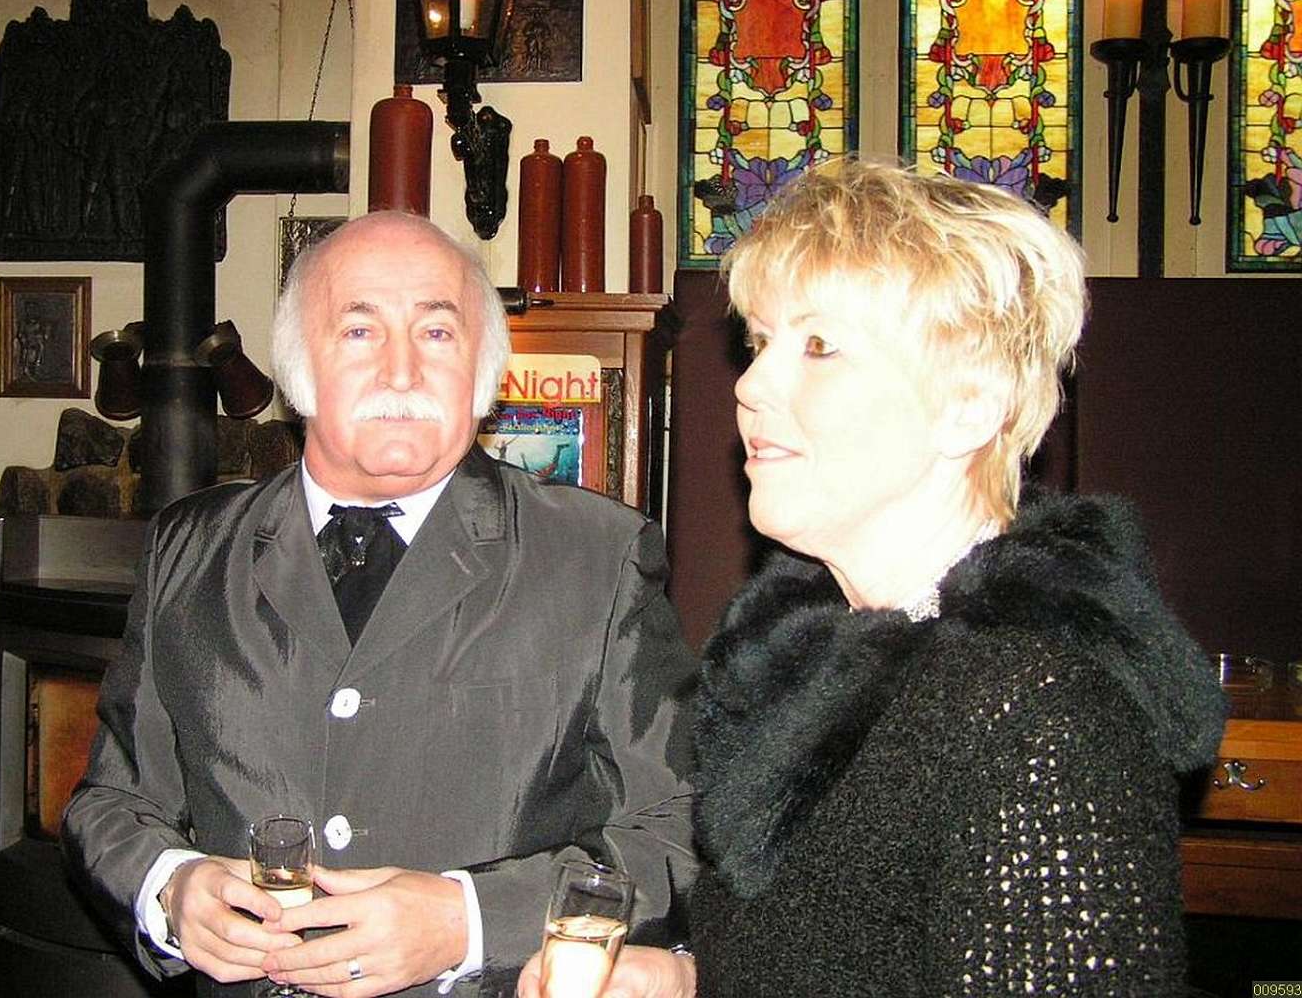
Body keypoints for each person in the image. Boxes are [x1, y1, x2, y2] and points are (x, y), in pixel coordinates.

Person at [519, 159, 1228, 997]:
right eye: (762, 343)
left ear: (969, 405)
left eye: (819, 345)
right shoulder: (818, 666)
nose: (750, 385)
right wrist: (681, 981)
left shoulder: (1037, 715)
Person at [62, 211, 697, 998]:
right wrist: (169, 886)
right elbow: (112, 801)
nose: (402, 372)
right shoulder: (186, 550)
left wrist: (468, 921)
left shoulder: (598, 557)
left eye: (436, 333)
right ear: (298, 368)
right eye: (360, 332)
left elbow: (680, 830)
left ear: (483, 371)